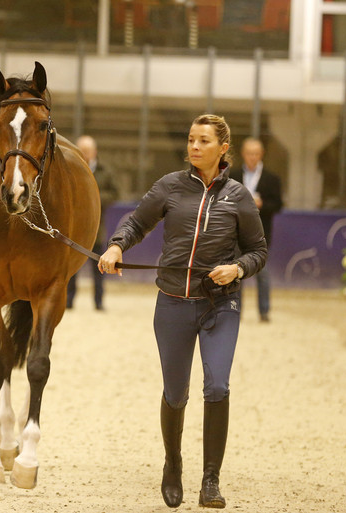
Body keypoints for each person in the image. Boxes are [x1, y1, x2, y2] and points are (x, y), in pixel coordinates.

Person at [98, 114, 267, 509]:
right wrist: (117, 246)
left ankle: (211, 480)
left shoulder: (238, 196)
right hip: (173, 303)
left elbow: (258, 251)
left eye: (203, 141)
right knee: (175, 394)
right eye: (191, 139)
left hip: (219, 305)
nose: (194, 146)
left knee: (218, 386)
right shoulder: (170, 186)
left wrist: (238, 268)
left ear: (223, 148)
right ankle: (172, 464)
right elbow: (137, 222)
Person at [233, 138, 283, 322]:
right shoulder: (233, 176)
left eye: (256, 153)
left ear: (261, 155)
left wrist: (261, 205)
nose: (252, 157)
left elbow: (278, 205)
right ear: (243, 154)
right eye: (249, 153)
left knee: (262, 273)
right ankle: (235, 310)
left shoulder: (272, 179)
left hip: (261, 233)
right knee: (235, 272)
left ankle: (264, 311)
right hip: (235, 232)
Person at [66, 135, 119, 311]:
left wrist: (93, 198)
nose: (84, 155)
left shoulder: (105, 171)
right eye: (80, 151)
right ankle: (69, 301)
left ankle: (98, 302)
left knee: (99, 267)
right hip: (73, 229)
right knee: (71, 268)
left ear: (94, 152)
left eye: (87, 151)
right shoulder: (70, 169)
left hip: (96, 228)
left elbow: (115, 193)